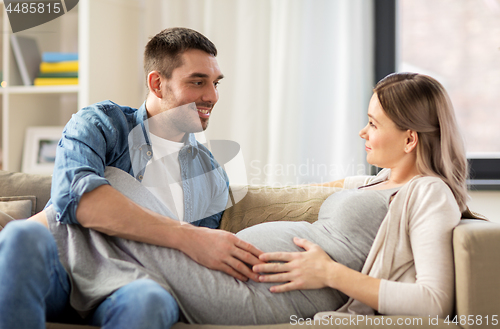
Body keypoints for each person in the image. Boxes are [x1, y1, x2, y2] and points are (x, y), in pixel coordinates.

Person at [39, 72, 469, 326]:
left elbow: (433, 304)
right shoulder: (375, 182)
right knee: (111, 182)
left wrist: (330, 272)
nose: (363, 132)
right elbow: (300, 193)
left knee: (103, 193)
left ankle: (34, 235)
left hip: (270, 291)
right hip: (245, 269)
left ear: (410, 138)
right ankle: (43, 233)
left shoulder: (429, 193)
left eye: (373, 124)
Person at [0, 27, 263, 329]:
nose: (212, 96)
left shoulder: (211, 175)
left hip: (132, 287)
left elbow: (195, 269)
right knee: (21, 235)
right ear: (157, 83)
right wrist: (187, 236)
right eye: (198, 82)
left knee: (149, 300)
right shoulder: (101, 124)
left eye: (215, 83)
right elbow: (78, 199)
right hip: (61, 270)